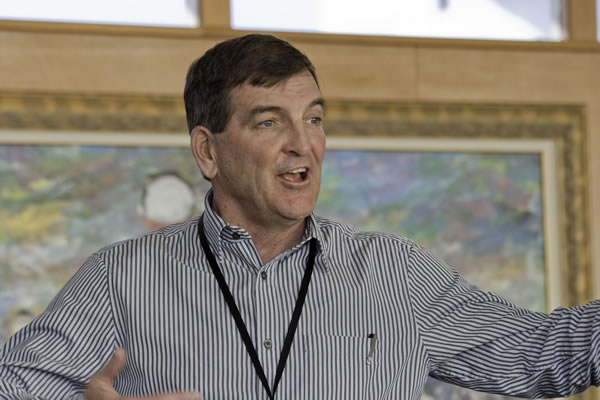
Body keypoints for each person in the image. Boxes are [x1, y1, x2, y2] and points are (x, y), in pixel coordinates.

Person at [0, 33, 599, 400]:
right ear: (208, 152)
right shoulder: (118, 279)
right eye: (269, 122)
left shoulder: (395, 273)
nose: (302, 144)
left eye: (313, 119)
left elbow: (544, 353)